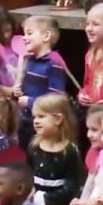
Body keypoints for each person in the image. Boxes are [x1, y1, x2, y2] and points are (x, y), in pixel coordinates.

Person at [26, 93, 83, 205]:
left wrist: (48, 199)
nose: (36, 121)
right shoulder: (34, 147)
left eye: (41, 116)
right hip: (36, 202)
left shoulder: (69, 151)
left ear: (58, 119)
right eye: (34, 117)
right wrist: (29, 190)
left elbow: (73, 184)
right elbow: (29, 171)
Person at [14, 15, 66, 150]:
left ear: (46, 36)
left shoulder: (53, 63)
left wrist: (30, 101)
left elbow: (56, 97)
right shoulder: (29, 60)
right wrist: (17, 91)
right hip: (25, 121)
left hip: (42, 125)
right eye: (24, 33)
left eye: (29, 33)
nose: (24, 37)